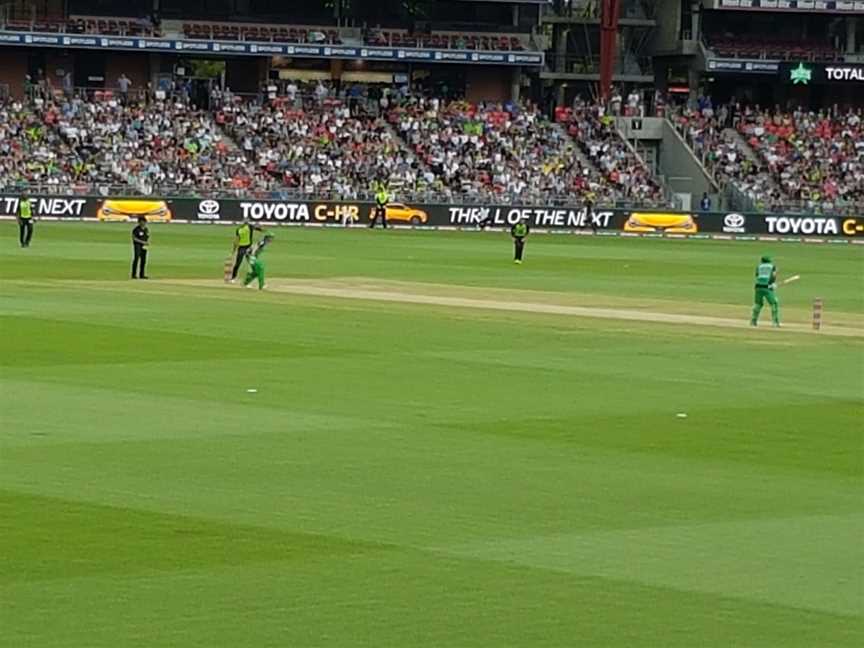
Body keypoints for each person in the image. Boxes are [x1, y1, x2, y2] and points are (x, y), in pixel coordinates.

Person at [751, 255, 780, 327]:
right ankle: (775, 323)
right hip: (767, 287)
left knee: (758, 304)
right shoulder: (772, 266)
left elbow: (757, 276)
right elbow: (773, 276)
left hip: (758, 286)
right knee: (774, 303)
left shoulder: (759, 266)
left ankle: (753, 321)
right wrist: (772, 284)